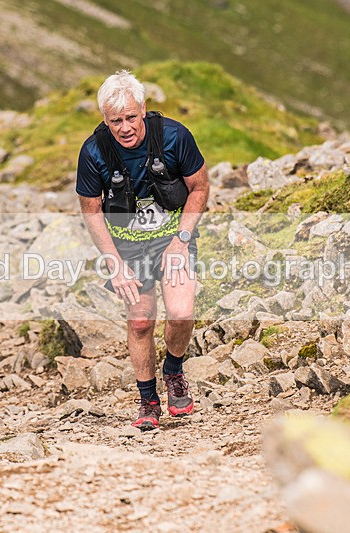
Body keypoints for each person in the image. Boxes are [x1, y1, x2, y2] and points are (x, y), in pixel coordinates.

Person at [76, 70, 210, 430]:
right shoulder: (93, 151)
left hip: (173, 236)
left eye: (131, 117)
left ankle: (174, 371)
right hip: (127, 245)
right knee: (140, 321)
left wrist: (181, 241)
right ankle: (148, 401)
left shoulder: (175, 136)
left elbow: (199, 187)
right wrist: (115, 264)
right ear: (104, 118)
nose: (125, 128)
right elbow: (91, 211)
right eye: (115, 121)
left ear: (144, 109)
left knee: (180, 313)